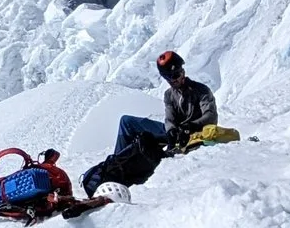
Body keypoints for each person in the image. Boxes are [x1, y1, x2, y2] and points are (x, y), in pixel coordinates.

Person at [82, 50, 219, 196]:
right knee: (126, 121)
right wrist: (171, 130)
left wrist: (189, 127)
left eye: (175, 75)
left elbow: (210, 117)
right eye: (168, 77)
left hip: (195, 132)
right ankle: (115, 167)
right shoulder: (169, 94)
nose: (173, 80)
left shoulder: (201, 91)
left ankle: (115, 171)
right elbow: (170, 118)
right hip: (175, 134)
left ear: (182, 72)